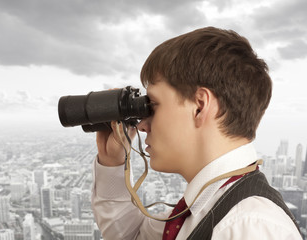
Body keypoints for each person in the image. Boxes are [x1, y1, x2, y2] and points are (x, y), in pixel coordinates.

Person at [91, 27, 302, 240]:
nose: (143, 125)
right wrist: (111, 163)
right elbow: (133, 236)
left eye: (153, 105)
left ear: (199, 106)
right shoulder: (211, 209)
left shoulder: (248, 227)